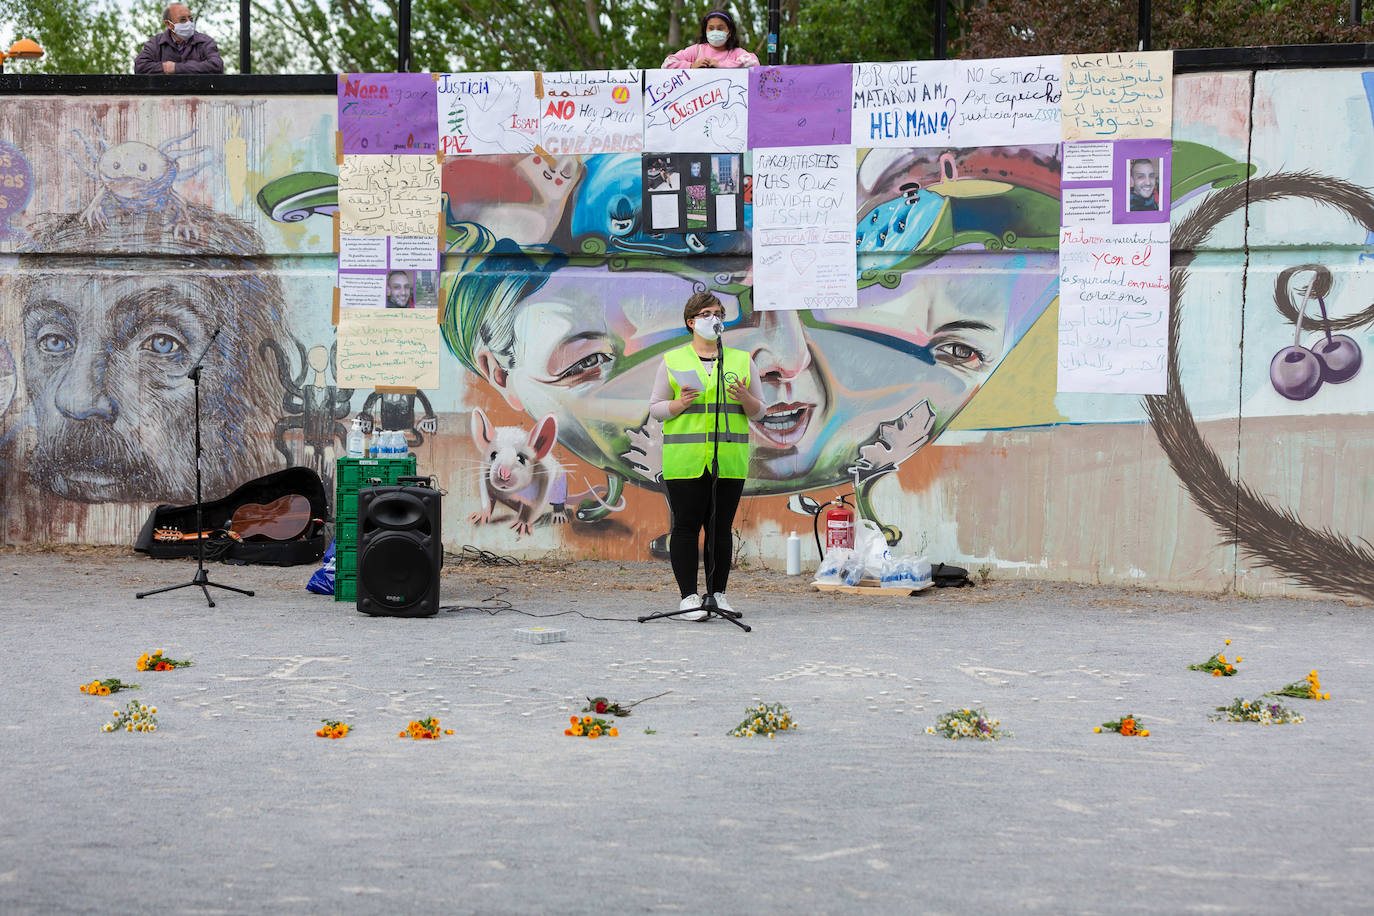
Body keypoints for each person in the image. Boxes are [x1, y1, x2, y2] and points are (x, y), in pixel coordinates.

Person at [648, 291, 765, 619]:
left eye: (718, 313)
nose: (714, 318)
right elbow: (656, 409)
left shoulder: (742, 361)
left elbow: (759, 412)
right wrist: (679, 404)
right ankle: (688, 597)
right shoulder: (672, 361)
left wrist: (745, 398)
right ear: (692, 322)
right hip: (684, 461)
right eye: (706, 313)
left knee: (720, 527)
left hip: (728, 460)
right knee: (685, 527)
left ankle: (717, 595)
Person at [133, 4, 224, 75]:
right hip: (165, 95)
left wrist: (176, 68)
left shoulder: (205, 42)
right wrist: (163, 67)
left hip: (198, 95)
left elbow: (216, 66)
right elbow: (140, 66)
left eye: (191, 19)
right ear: (168, 24)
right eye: (183, 20)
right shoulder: (156, 43)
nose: (189, 23)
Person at [663, 9, 759, 70]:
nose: (715, 32)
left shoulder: (735, 53)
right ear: (706, 30)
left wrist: (720, 65)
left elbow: (753, 63)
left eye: (720, 28)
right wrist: (692, 65)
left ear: (729, 32)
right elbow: (667, 64)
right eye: (711, 28)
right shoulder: (696, 50)